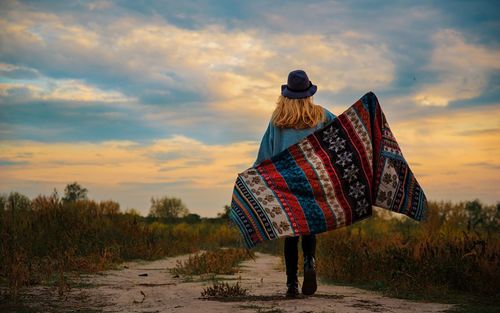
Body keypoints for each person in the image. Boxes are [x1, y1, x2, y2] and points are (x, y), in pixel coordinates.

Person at [253, 69, 337, 298]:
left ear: (286, 94)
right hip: (312, 179)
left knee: (290, 232)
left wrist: (255, 176)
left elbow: (265, 153)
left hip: (286, 181)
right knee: (309, 226)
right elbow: (342, 138)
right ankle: (310, 261)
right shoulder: (322, 115)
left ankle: (291, 284)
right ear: (309, 93)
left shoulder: (278, 120)